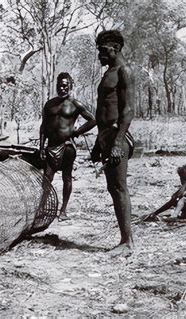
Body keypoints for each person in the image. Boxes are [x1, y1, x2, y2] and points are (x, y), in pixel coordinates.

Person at [91, 30, 135, 252]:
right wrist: (98, 143)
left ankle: (127, 242)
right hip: (106, 137)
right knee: (112, 187)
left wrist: (118, 142)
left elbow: (127, 111)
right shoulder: (109, 72)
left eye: (102, 51)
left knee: (119, 187)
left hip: (117, 137)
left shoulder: (124, 71)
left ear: (115, 48)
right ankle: (123, 239)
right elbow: (102, 111)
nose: (100, 56)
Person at [39, 72, 96, 220]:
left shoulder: (75, 104)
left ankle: (63, 211)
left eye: (64, 85)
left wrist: (77, 132)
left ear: (70, 86)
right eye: (59, 86)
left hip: (67, 146)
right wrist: (41, 147)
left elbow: (92, 120)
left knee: (67, 178)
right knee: (47, 178)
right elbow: (43, 126)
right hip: (51, 146)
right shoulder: (49, 104)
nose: (62, 88)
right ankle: (41, 209)